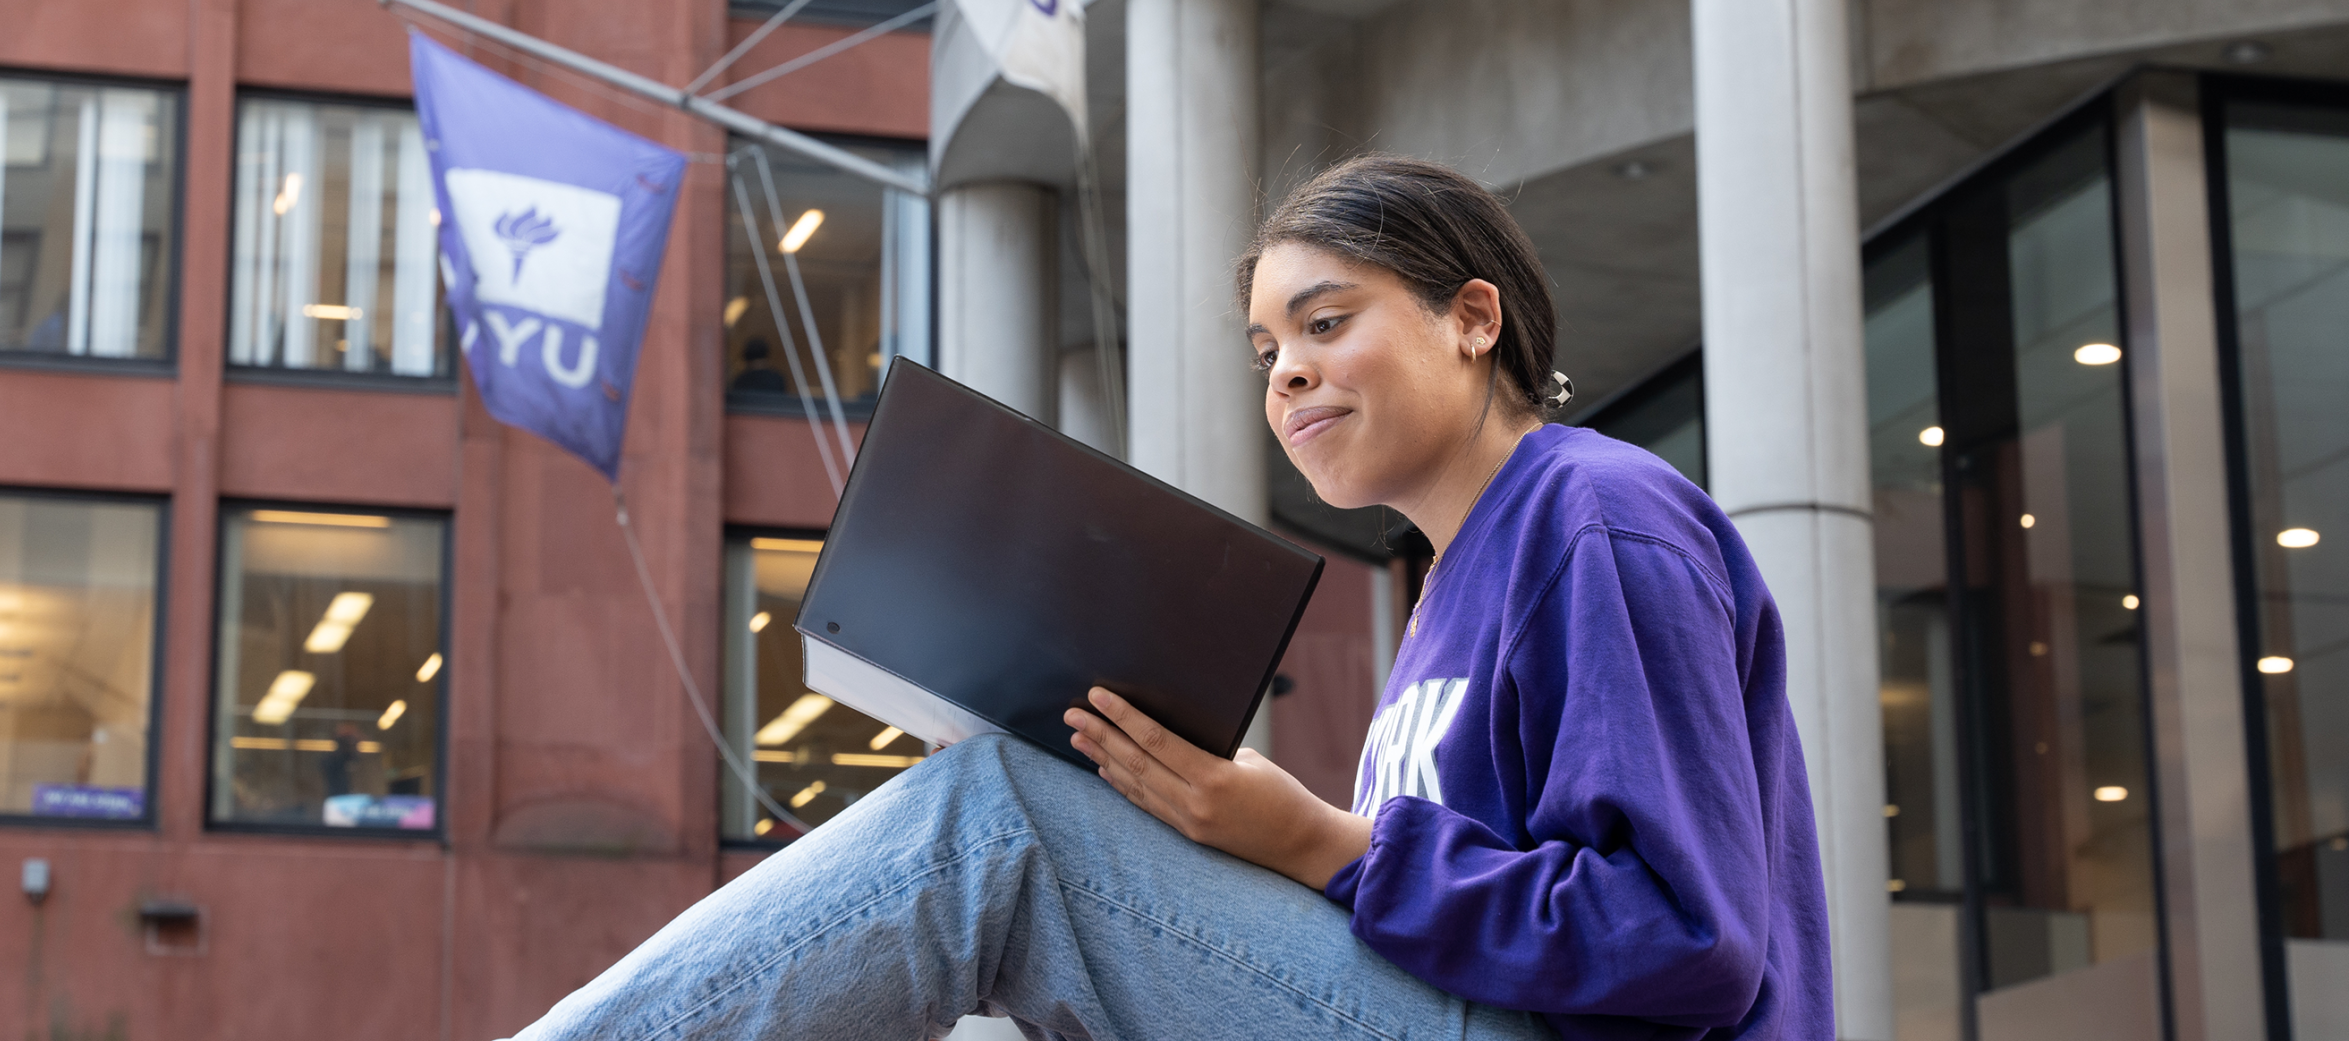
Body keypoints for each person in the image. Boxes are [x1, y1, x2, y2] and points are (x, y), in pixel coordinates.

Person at [511, 155, 1831, 1041]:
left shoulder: (1598, 510)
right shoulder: (1440, 592)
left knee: (1002, 818)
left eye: (1327, 322)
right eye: (1268, 350)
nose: (1289, 375)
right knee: (1040, 790)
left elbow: (1688, 936)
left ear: (1472, 316)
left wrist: (1320, 842)